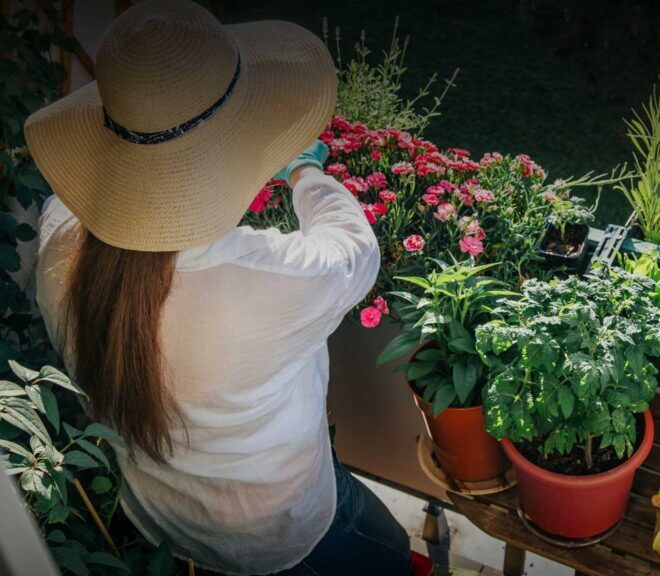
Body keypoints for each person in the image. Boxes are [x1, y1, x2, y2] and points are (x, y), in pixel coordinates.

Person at [27, 1, 425, 574]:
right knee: (388, 555)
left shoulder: (57, 236)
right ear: (233, 148)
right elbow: (355, 252)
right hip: (276, 531)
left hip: (156, 514)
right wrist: (305, 172)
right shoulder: (270, 279)